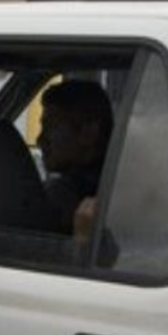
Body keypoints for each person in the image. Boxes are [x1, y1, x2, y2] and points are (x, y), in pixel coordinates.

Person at [36, 79, 113, 240]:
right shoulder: (119, 184)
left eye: (51, 127)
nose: (40, 139)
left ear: (88, 133)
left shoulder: (60, 196)